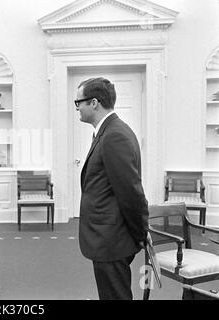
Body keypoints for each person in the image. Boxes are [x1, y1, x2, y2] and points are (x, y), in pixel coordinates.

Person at [75, 77, 149, 300]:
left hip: (111, 238)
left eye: (79, 102)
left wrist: (141, 233)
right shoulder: (108, 131)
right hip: (108, 236)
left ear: (94, 102)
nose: (77, 107)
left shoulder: (114, 134)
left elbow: (131, 192)